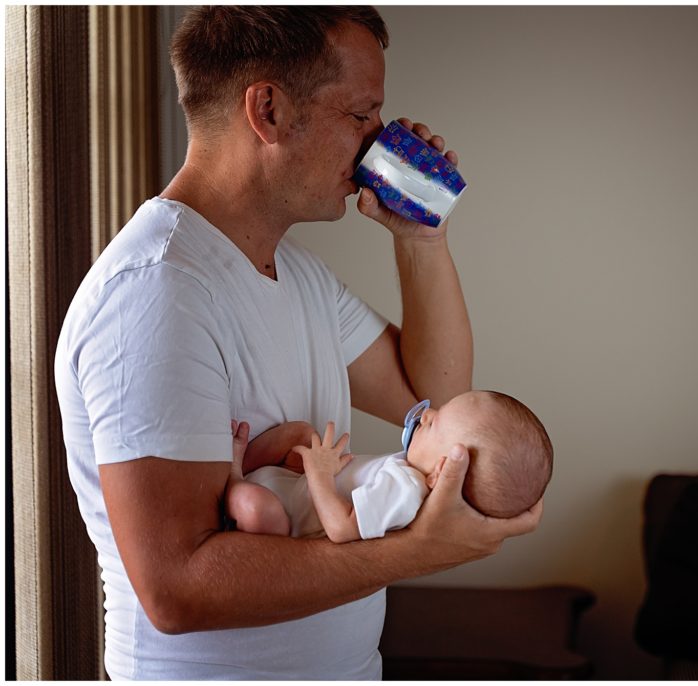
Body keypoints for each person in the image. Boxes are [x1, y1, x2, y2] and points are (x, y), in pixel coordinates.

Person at [53, 6, 541, 680]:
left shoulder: (299, 275)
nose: (378, 143)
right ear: (270, 111)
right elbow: (177, 587)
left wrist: (421, 240)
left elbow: (435, 402)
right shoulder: (157, 294)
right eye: (360, 114)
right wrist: (416, 552)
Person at [227, 391, 554, 541]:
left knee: (255, 507)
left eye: (433, 423)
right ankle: (240, 472)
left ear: (442, 471)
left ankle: (232, 475)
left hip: (282, 517)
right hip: (293, 488)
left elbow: (341, 530)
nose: (425, 414)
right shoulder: (409, 472)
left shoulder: (407, 490)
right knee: (301, 434)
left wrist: (320, 473)